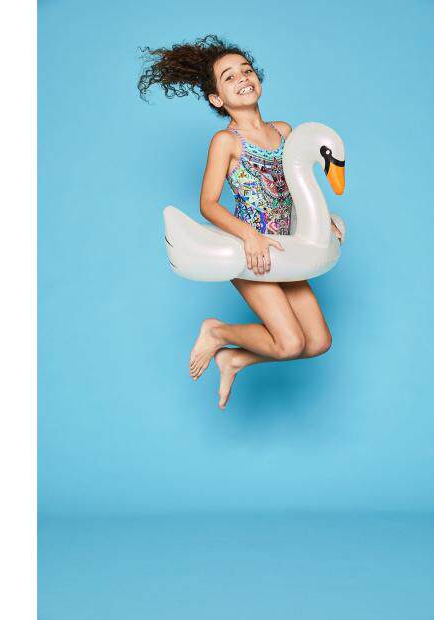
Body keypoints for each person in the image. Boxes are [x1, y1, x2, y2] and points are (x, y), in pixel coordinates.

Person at [138, 35, 343, 409]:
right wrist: (249, 237)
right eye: (229, 77)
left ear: (258, 79)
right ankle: (218, 332)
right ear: (217, 98)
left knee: (318, 342)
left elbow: (298, 188)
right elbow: (207, 204)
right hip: (253, 253)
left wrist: (322, 220)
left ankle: (234, 359)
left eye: (246, 70)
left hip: (289, 249)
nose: (242, 78)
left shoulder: (285, 132)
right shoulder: (225, 141)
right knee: (290, 343)